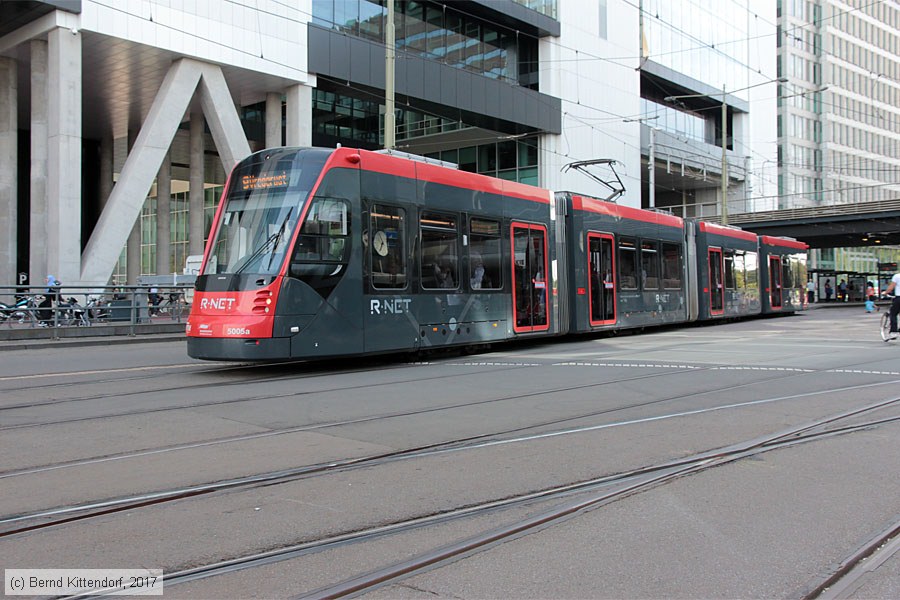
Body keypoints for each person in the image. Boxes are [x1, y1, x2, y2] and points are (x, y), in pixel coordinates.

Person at [884, 271, 900, 340]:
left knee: (893, 313)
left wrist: (885, 292)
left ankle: (893, 332)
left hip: (899, 298)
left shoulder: (897, 276)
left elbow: (891, 287)